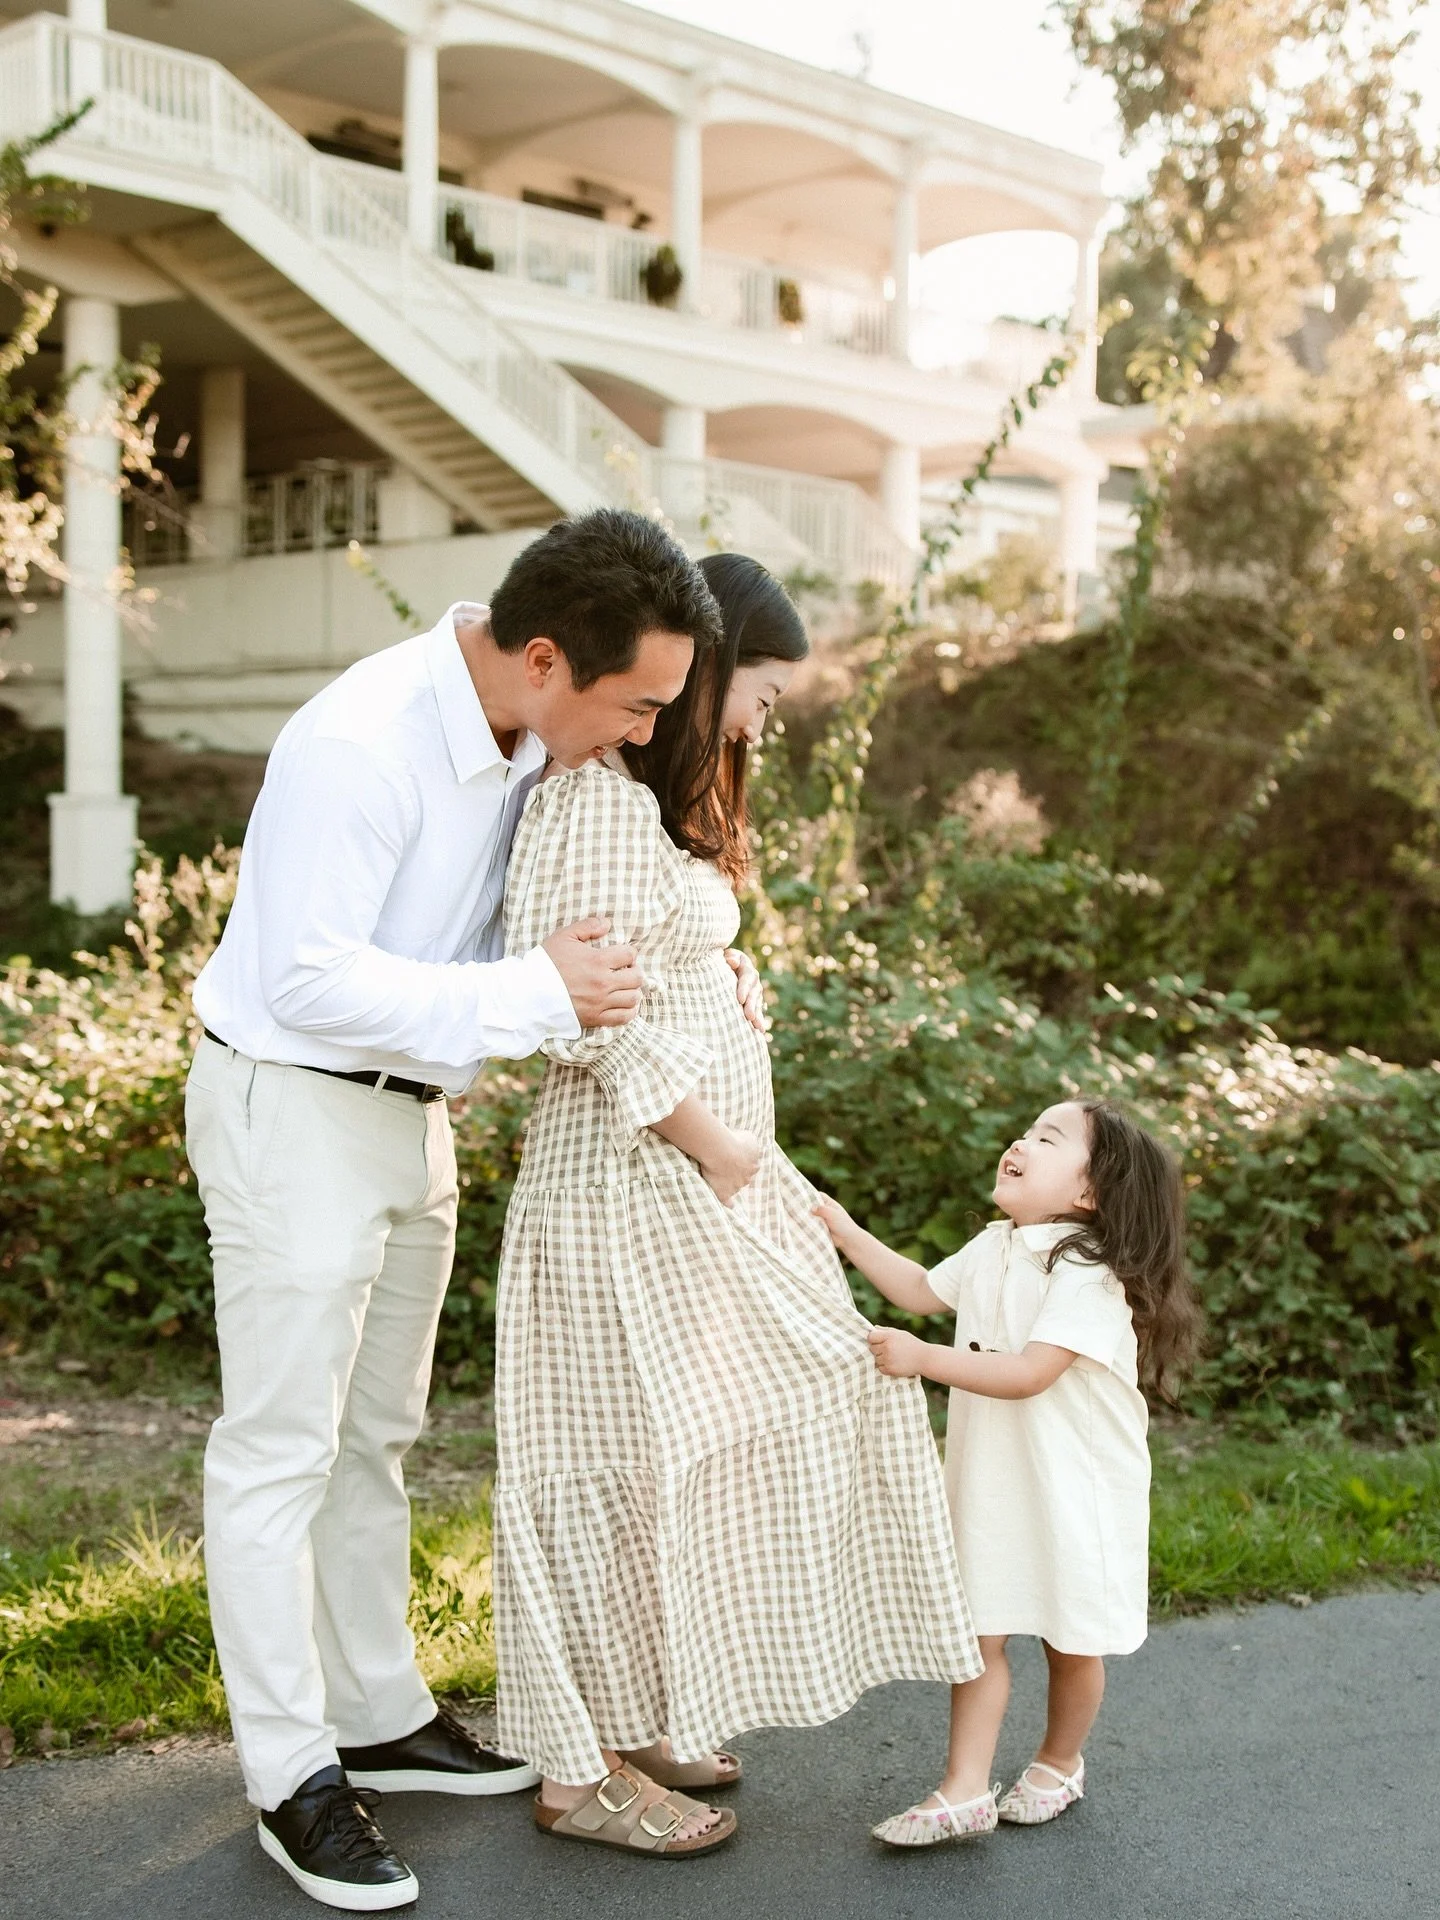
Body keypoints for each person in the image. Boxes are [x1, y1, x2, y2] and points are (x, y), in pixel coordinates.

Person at [185, 511, 733, 1910]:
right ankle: (290, 1774)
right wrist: (530, 995)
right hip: (290, 1104)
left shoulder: (526, 743)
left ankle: (376, 1711)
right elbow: (307, 976)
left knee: (376, 1434)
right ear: (544, 658)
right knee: (279, 1451)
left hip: (408, 1118)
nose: (636, 732)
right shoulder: (359, 740)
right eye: (634, 704)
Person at [492, 552, 981, 1860]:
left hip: (679, 1190)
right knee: (610, 1467)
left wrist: (727, 969)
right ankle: (573, 1770)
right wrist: (714, 1143)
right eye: (761, 690)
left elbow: (655, 953)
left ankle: (638, 1716)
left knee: (671, 1462)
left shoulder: (646, 814)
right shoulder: (591, 799)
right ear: (705, 673)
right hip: (629, 1187)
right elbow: (578, 1014)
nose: (768, 721)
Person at [815, 1098, 1200, 1848]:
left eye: (1048, 1138)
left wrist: (924, 1360)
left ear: (1089, 1193)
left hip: (1074, 1490)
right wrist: (846, 1233)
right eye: (1025, 1131)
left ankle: (1060, 1762)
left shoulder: (1087, 1272)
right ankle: (964, 1788)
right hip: (997, 1483)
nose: (1019, 1143)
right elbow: (921, 1292)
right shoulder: (994, 1246)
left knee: (1069, 1639)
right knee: (980, 1633)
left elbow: (1030, 1373)